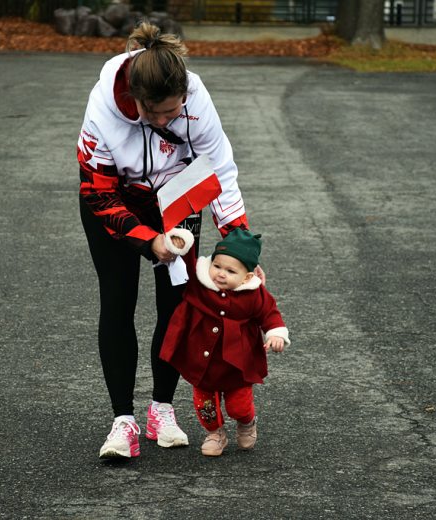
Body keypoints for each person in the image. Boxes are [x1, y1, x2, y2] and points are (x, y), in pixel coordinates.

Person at [78, 21, 264, 459]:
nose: (163, 120)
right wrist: (148, 241)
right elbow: (97, 191)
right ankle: (123, 420)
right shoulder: (103, 106)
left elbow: (220, 173)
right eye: (153, 112)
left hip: (177, 196)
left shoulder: (196, 97)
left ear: (184, 94)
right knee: (118, 300)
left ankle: (161, 409)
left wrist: (239, 248)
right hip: (115, 200)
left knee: (178, 305)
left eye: (171, 112)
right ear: (134, 98)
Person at [159, 230, 290, 456]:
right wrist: (181, 242)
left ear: (247, 278)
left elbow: (269, 313)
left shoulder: (253, 293)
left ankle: (246, 422)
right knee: (205, 405)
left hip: (237, 363)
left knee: (239, 405)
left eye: (231, 271)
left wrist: (275, 333)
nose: (220, 274)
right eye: (217, 266)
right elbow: (187, 259)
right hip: (201, 359)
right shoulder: (200, 282)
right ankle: (214, 434)